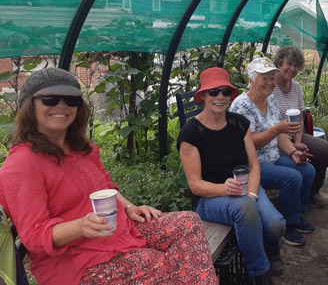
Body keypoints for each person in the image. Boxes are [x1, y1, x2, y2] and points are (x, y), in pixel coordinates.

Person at [0, 68, 217, 285]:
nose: (62, 105)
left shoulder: (82, 148)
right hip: (78, 262)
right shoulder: (22, 165)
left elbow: (105, 186)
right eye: (50, 99)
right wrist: (80, 226)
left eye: (71, 99)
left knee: (188, 223)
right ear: (29, 106)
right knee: (161, 264)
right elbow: (35, 236)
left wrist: (130, 207)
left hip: (117, 232)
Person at [178, 67, 285, 284]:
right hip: (209, 199)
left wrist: (252, 195)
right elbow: (195, 185)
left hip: (247, 190)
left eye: (225, 92)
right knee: (245, 210)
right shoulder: (191, 133)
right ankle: (259, 275)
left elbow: (253, 164)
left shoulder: (238, 124)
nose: (220, 97)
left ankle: (271, 250)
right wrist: (225, 189)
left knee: (276, 225)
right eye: (214, 92)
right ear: (203, 96)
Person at [230, 56, 315, 247]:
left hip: (273, 156)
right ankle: (288, 225)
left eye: (272, 77)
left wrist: (293, 152)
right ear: (251, 80)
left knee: (307, 170)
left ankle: (296, 213)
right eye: (264, 78)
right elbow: (249, 143)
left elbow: (279, 135)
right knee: (292, 178)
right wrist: (277, 130)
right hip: (253, 163)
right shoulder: (241, 105)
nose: (270, 83)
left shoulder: (271, 99)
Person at [272, 47, 328, 208]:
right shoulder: (270, 87)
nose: (292, 69)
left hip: (294, 136)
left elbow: (300, 118)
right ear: (279, 63)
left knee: (325, 150)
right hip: (274, 141)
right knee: (303, 162)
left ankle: (313, 191)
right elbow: (269, 126)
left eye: (296, 66)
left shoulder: (297, 87)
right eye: (289, 64)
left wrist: (298, 141)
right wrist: (291, 146)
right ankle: (294, 199)